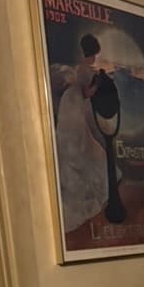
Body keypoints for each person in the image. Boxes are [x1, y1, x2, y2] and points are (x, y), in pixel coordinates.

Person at [55, 34, 109, 233]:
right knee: (82, 143)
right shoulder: (85, 69)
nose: (95, 58)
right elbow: (87, 93)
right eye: (94, 54)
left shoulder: (79, 67)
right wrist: (98, 84)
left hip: (70, 103)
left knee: (77, 141)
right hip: (75, 104)